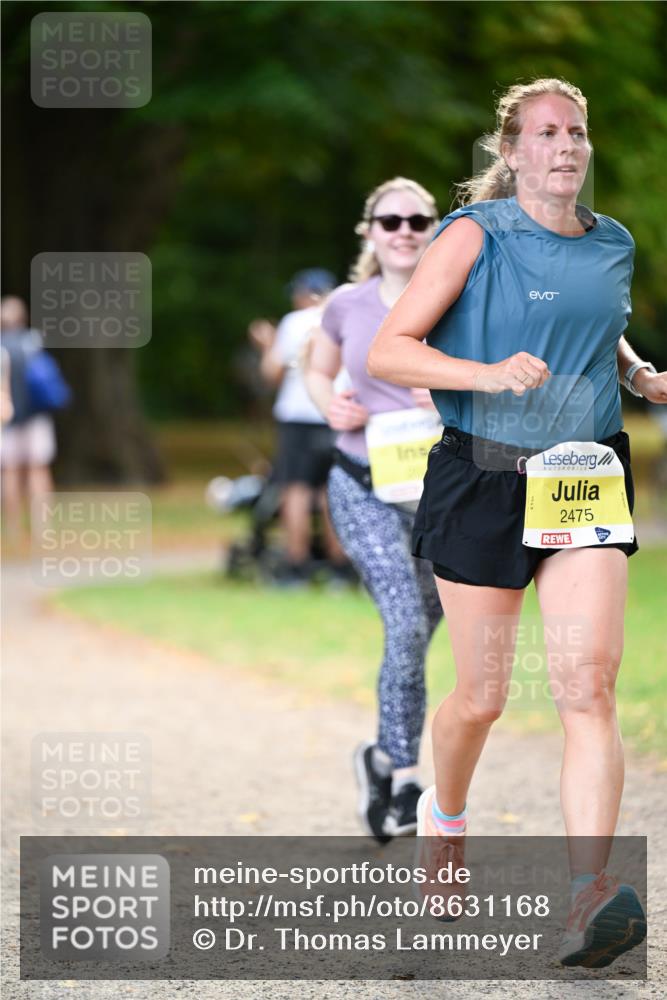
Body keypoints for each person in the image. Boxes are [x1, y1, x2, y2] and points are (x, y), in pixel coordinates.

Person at [368, 79, 665, 966]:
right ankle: (444, 820)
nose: (566, 146)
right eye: (545, 133)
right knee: (482, 696)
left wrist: (639, 374)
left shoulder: (612, 242)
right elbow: (392, 349)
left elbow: (591, 327)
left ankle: (587, 898)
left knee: (588, 687)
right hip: (483, 480)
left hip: (582, 475)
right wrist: (487, 373)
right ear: (512, 151)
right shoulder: (473, 236)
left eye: (576, 131)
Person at [306, 178, 444, 842]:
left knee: (417, 633)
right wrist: (329, 403)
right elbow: (315, 369)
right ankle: (407, 779)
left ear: (433, 227)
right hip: (362, 483)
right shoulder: (346, 304)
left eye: (417, 219)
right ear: (369, 230)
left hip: (442, 496)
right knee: (405, 621)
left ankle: (380, 759)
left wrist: (447, 401)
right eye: (390, 220)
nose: (404, 230)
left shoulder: (460, 298)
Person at [248, 269, 349, 586]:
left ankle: (296, 566)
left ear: (305, 294)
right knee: (334, 491)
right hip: (336, 412)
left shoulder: (294, 322)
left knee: (296, 491)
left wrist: (267, 344)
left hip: (297, 420)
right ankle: (339, 570)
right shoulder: (346, 317)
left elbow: (271, 375)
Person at [0, 296, 56, 540]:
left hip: (8, 418)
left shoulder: (1, 347)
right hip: (37, 417)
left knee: (10, 471)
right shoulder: (34, 342)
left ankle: (13, 529)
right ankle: (43, 528)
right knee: (38, 470)